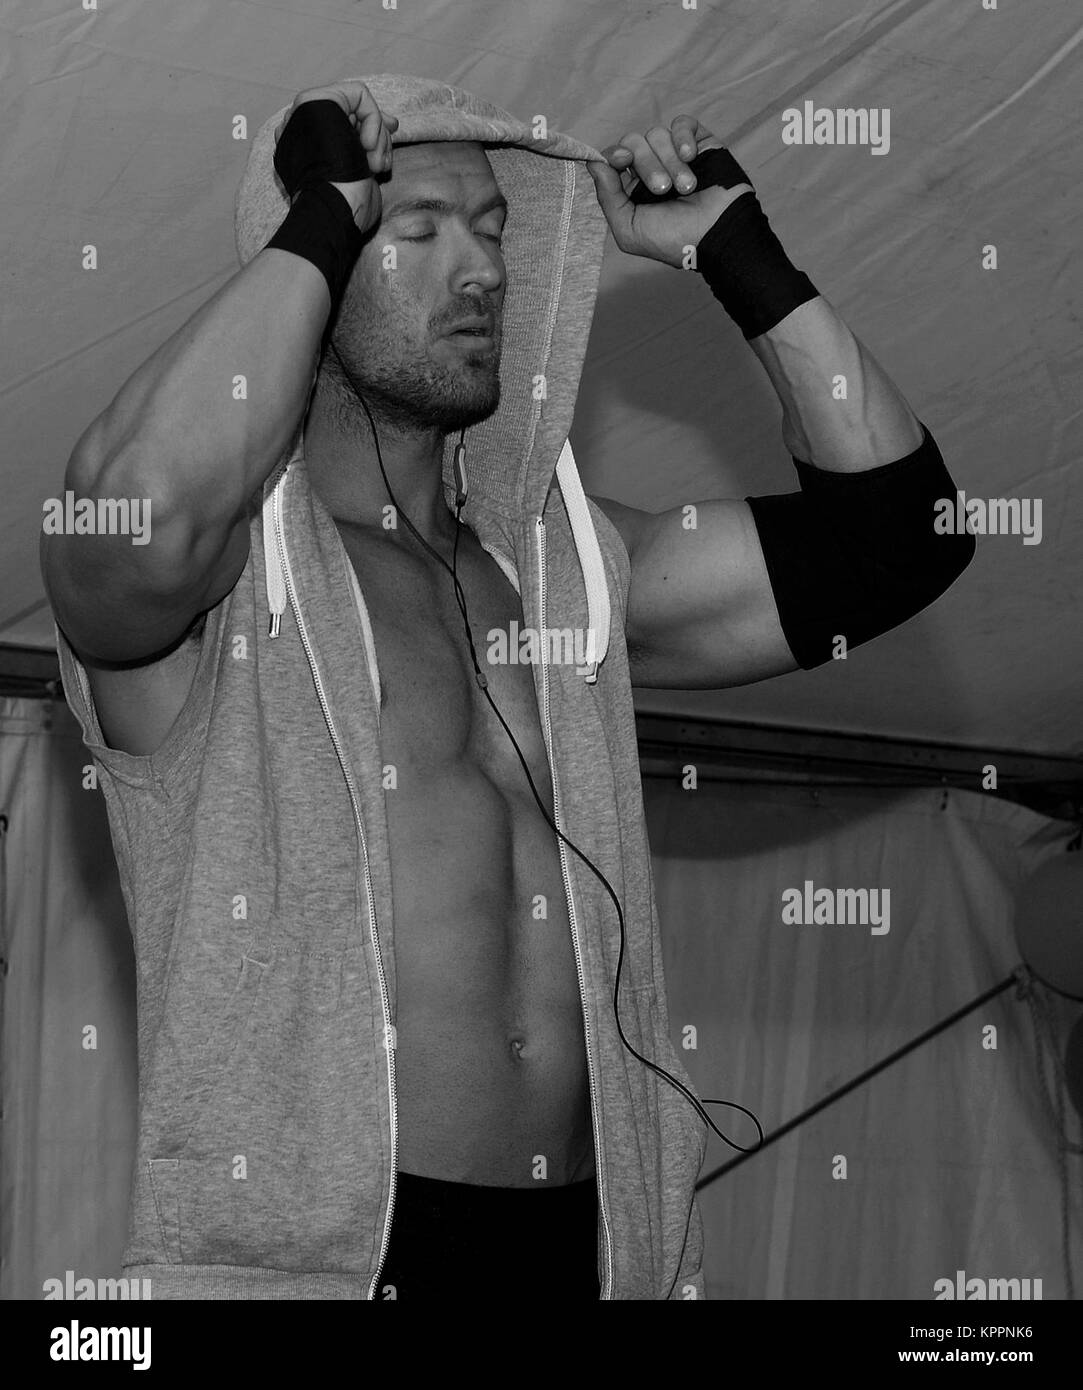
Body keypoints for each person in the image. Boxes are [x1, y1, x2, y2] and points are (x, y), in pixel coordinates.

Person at [40, 75, 974, 1300]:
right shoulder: (225, 590)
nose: (480, 269)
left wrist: (741, 257)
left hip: (580, 1254)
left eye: (493, 231)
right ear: (313, 273)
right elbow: (136, 521)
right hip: (312, 1264)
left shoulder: (567, 574)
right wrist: (319, 220)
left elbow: (904, 538)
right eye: (416, 233)